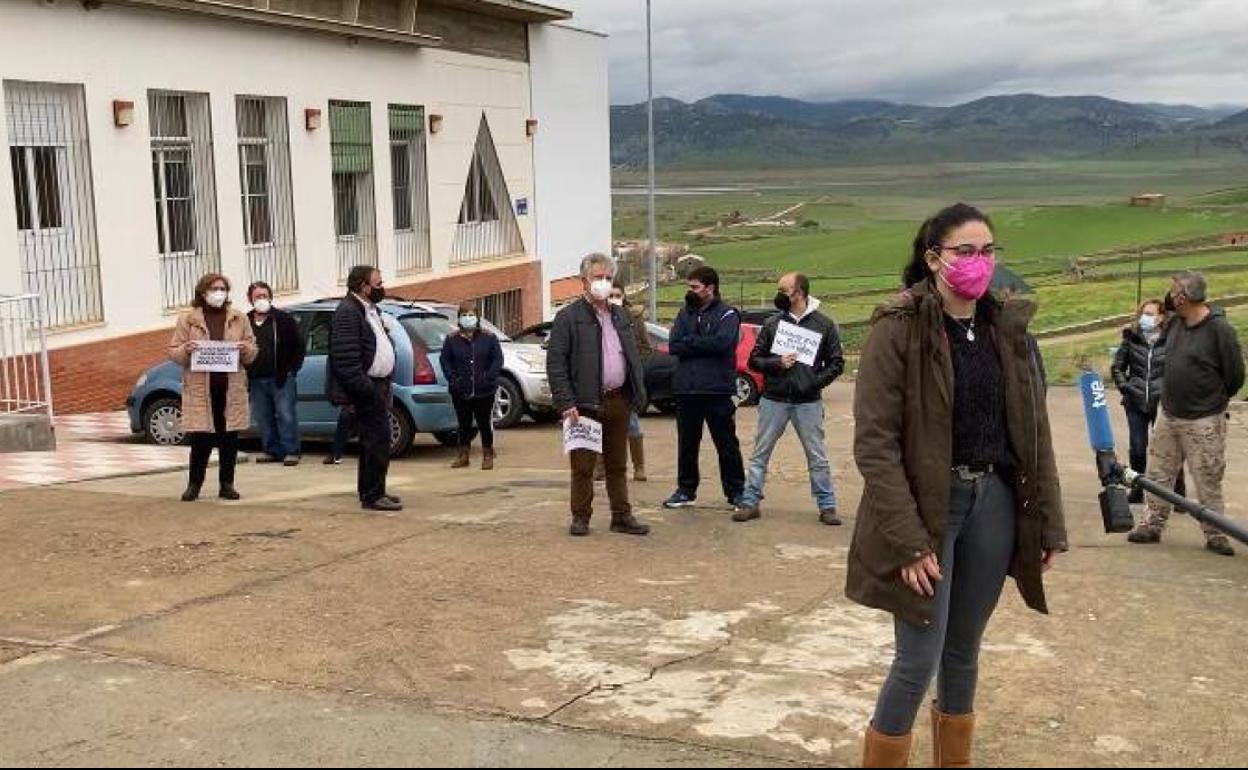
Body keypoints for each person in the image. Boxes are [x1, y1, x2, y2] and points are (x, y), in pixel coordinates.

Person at [849, 203, 1066, 768]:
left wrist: (1047, 522)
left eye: (988, 251)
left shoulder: (1007, 331)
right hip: (928, 509)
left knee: (964, 650)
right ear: (933, 258)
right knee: (918, 658)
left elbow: (1035, 433)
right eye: (964, 251)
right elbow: (875, 443)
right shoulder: (898, 328)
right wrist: (907, 540)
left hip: (994, 502)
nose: (979, 261)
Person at [1128, 270, 1245, 556]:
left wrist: (1212, 401)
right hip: (1169, 413)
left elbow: (1235, 376)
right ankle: (1152, 524)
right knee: (1158, 473)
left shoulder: (1220, 330)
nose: (1170, 295)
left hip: (1204, 418)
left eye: (1175, 290)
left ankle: (1215, 533)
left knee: (1207, 477)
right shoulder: (1175, 324)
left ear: (1186, 296)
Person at [546, 253, 650, 537]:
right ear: (584, 281)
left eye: (607, 277)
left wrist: (636, 391)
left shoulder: (621, 316)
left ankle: (621, 516)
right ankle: (581, 516)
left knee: (617, 464)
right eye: (597, 277)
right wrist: (565, 402)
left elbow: (634, 354)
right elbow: (556, 363)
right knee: (583, 466)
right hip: (584, 405)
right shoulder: (568, 318)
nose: (603, 282)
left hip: (619, 400)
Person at [732, 272, 845, 525]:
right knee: (760, 453)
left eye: (783, 291)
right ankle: (750, 503)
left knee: (817, 456)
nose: (779, 295)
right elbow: (754, 360)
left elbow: (836, 363)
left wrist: (813, 383)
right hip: (774, 399)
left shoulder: (824, 325)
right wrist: (777, 363)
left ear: (799, 293)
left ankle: (827, 506)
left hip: (808, 402)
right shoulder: (772, 324)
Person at [168, 273, 258, 502]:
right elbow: (174, 352)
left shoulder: (239, 318)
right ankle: (194, 485)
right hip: (201, 390)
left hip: (230, 389)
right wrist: (186, 350)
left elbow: (252, 350)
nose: (219, 293)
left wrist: (245, 349)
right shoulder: (188, 319)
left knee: (229, 438)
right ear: (203, 292)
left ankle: (227, 484)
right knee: (201, 439)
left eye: (222, 289)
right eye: (214, 288)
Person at [662, 266, 746, 510]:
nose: (691, 291)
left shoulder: (727, 314)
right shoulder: (684, 314)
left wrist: (691, 342)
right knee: (687, 445)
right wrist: (699, 343)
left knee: (726, 444)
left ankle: (736, 492)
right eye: (689, 286)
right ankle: (686, 490)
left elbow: (723, 344)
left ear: (710, 288)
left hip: (717, 390)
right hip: (686, 390)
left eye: (695, 287)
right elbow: (674, 345)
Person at [327, 265, 402, 512]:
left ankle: (375, 490)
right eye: (378, 284)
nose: (382, 288)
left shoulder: (370, 309)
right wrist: (367, 389)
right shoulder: (348, 312)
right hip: (367, 389)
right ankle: (372, 495)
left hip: (379, 384)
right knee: (375, 442)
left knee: (377, 442)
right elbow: (346, 360)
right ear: (363, 286)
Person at [1110, 299, 1184, 505]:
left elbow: (1181, 368)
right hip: (1135, 402)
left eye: (1151, 314)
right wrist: (1125, 386)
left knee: (1169, 450)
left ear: (1161, 317)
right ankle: (1137, 489)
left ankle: (1178, 492)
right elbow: (1117, 367)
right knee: (1137, 448)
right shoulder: (1131, 337)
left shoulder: (1172, 339)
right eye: (1144, 313)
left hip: (1163, 403)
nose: (1146, 318)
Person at [245, 281, 306, 466]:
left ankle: (291, 451)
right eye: (257, 296)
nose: (261, 299)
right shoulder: (245, 321)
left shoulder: (283, 319)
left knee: (285, 414)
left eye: (264, 295)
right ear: (250, 299)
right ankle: (272, 450)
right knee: (263, 416)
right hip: (256, 378)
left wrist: (291, 369)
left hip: (281, 377)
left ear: (270, 297)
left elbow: (298, 345)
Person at [440, 300, 504, 471]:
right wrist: (453, 380)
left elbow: (497, 360)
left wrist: (488, 377)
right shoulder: (451, 339)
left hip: (484, 391)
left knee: (484, 423)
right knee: (463, 423)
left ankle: (488, 454)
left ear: (477, 317)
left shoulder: (489, 338)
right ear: (459, 318)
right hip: (461, 390)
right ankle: (463, 455)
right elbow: (445, 361)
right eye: (464, 315)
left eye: (471, 315)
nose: (468, 318)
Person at [598, 281, 651, 482]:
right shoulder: (597, 318)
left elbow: (646, 348)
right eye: (610, 295)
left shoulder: (633, 319)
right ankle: (601, 467)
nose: (614, 299)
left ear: (623, 297)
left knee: (632, 424)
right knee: (600, 425)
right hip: (601, 382)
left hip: (626, 383)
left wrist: (633, 363)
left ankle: (639, 467)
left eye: (617, 295)